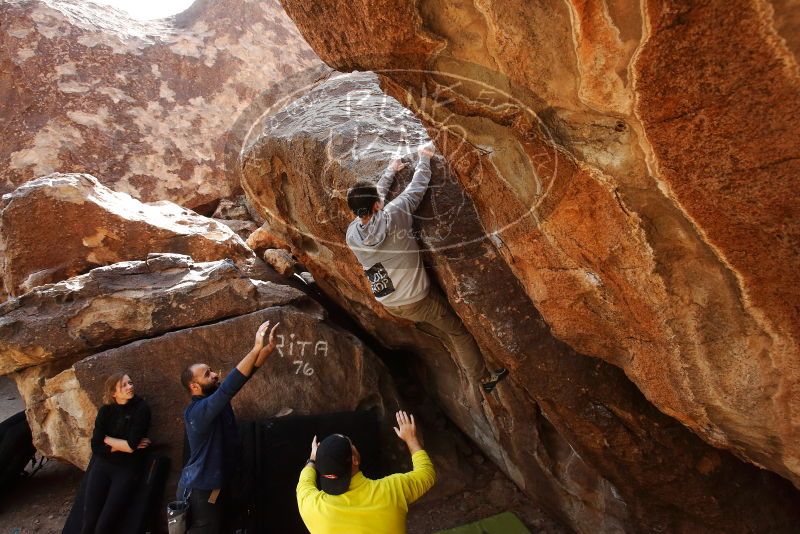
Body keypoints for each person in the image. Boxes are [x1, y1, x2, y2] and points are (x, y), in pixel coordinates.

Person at [345, 142, 508, 393]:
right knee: (459, 333)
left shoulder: (352, 234)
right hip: (416, 300)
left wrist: (391, 171)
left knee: (436, 322)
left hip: (388, 300)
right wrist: (424, 157)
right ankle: (483, 379)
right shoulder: (394, 214)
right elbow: (416, 187)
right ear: (377, 205)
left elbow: (374, 203)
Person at [177, 319, 280, 534]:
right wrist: (255, 349)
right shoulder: (197, 412)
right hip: (202, 490)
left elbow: (243, 376)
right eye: (207, 374)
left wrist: (267, 350)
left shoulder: (215, 397)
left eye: (212, 370)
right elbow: (230, 387)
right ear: (194, 386)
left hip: (221, 485)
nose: (215, 374)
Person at [297, 410, 435, 534]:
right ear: (354, 460)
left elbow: (305, 481)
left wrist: (312, 459)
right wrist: (411, 439)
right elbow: (426, 474)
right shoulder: (391, 490)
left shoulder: (311, 506)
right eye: (352, 445)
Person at [82, 372, 151, 534]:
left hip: (125, 468)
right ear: (114, 393)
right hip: (103, 465)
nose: (130, 387)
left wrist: (105, 439)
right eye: (124, 385)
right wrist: (120, 444)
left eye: (130, 383)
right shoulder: (106, 411)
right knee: (89, 521)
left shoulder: (141, 408)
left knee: (104, 525)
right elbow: (95, 446)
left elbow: (131, 445)